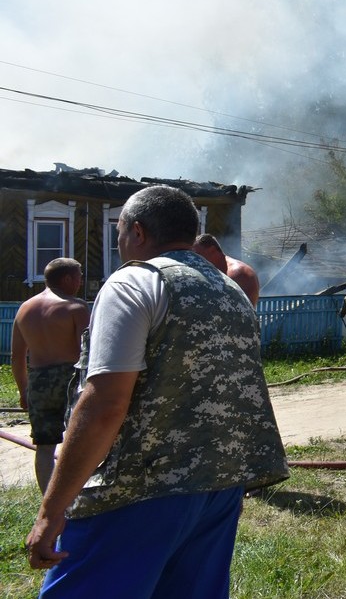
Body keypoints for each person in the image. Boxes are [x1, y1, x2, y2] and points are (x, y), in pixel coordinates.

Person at [24, 185, 289, 595]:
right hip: (218, 486)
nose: (119, 243)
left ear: (138, 233)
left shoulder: (134, 283)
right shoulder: (230, 290)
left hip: (137, 492)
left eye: (120, 232)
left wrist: (50, 511)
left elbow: (105, 404)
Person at [10, 258, 90, 493]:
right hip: (70, 379)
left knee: (45, 446)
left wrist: (23, 390)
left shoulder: (25, 309)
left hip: (39, 380)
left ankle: (48, 498)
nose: (81, 281)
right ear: (67, 279)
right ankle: (78, 495)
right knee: (81, 441)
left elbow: (17, 356)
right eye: (79, 276)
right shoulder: (75, 308)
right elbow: (87, 353)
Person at [192, 233, 261, 305]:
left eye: (198, 255)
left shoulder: (238, 272)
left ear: (212, 250)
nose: (195, 260)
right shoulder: (217, 271)